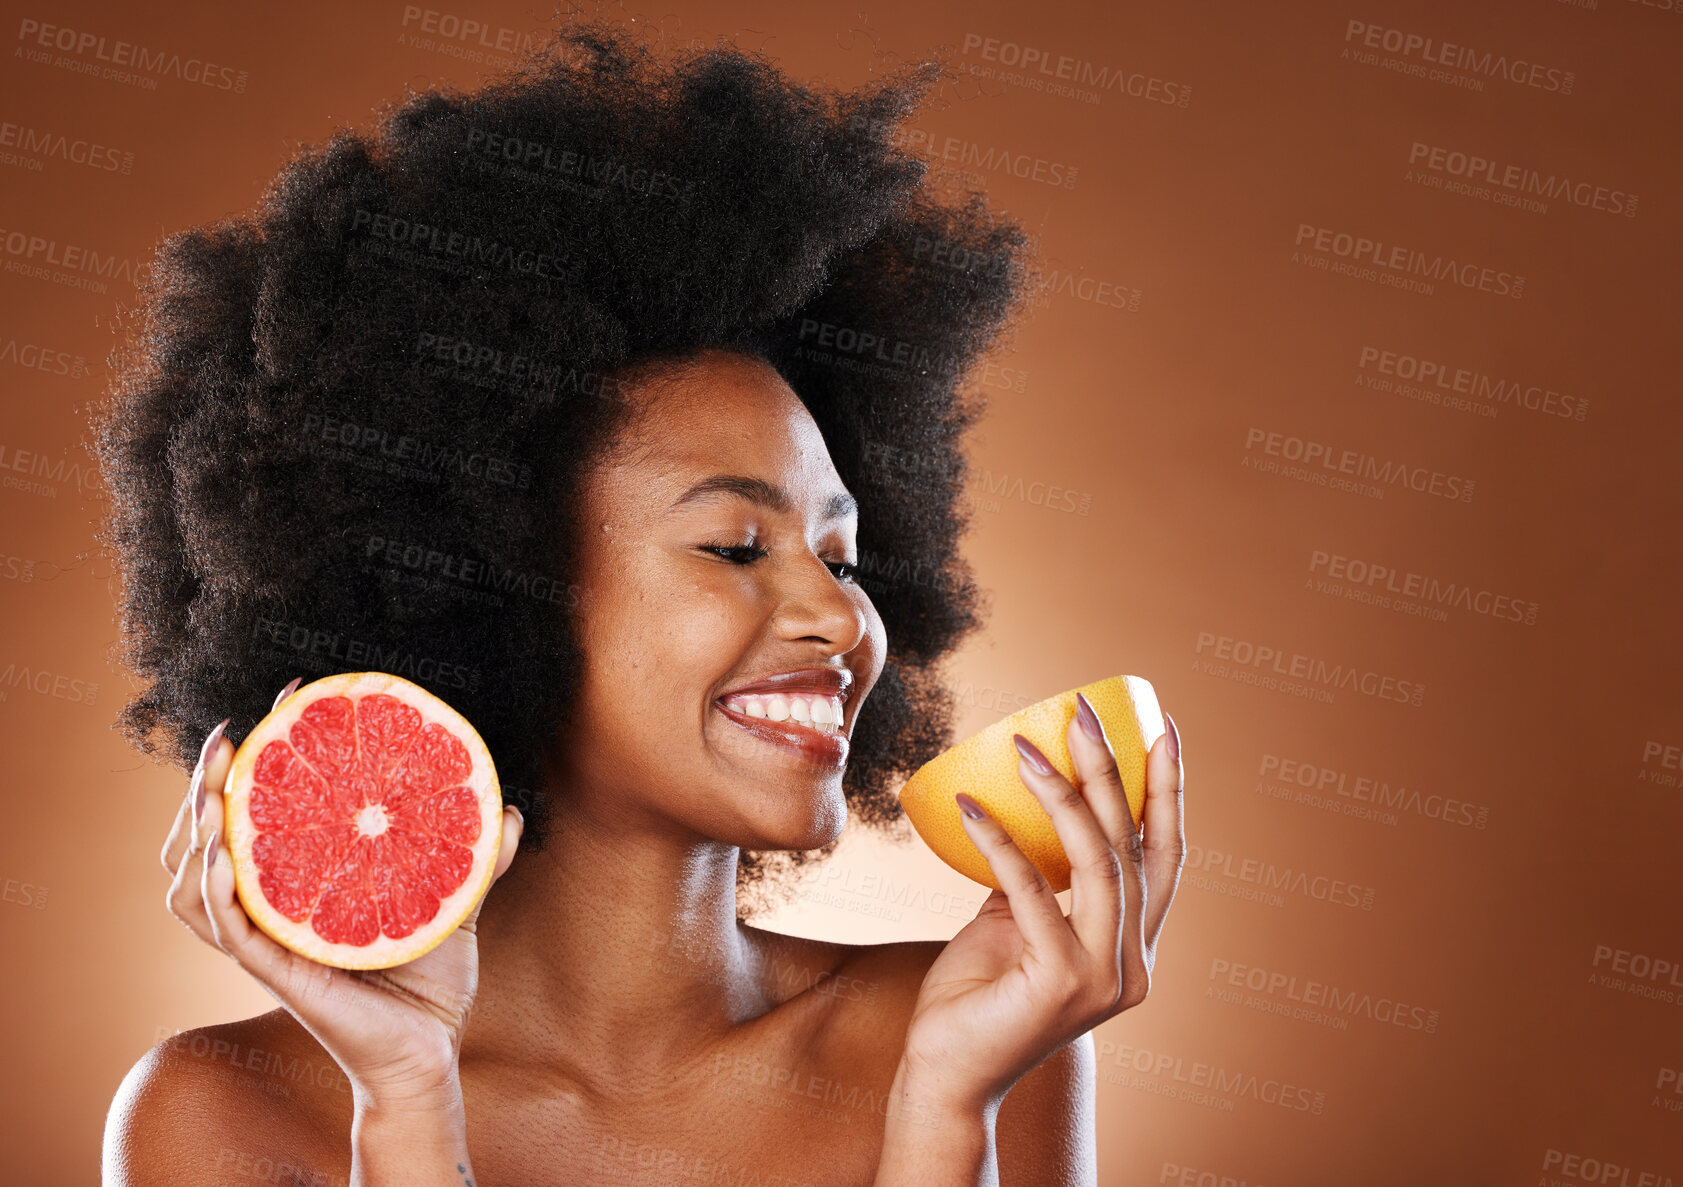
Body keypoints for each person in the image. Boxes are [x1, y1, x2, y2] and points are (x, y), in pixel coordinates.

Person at [97, 21, 1186, 1186]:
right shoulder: (225, 1114)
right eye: (732, 544)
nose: (840, 619)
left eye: (845, 555)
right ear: (484, 583)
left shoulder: (970, 1026)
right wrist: (409, 1102)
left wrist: (943, 1113)